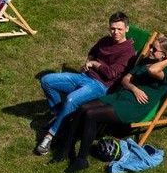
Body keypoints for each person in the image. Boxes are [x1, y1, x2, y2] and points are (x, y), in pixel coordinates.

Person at [54, 35, 167, 173]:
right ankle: (65, 149)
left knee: (91, 114)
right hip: (122, 96)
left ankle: (81, 159)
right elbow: (125, 80)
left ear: (164, 55)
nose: (150, 50)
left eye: (154, 49)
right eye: (150, 47)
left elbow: (153, 71)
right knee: (83, 108)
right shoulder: (145, 62)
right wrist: (134, 88)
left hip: (135, 106)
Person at [34, 12, 135, 156]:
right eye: (112, 28)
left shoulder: (128, 51)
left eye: (119, 29)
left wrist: (94, 63)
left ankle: (50, 136)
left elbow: (111, 73)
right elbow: (92, 52)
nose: (115, 32)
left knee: (71, 99)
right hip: (85, 76)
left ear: (127, 28)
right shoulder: (105, 40)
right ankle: (58, 115)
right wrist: (89, 62)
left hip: (100, 86)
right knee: (47, 81)